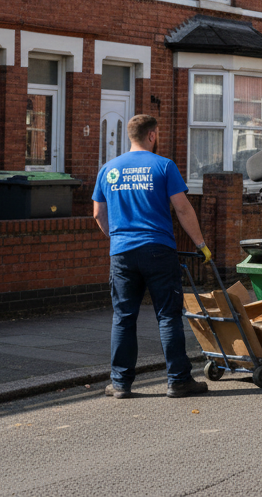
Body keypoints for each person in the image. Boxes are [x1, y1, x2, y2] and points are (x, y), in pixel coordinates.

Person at [92, 114, 211, 399]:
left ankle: (120, 383)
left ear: (130, 136)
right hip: (158, 249)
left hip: (122, 253)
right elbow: (183, 209)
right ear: (152, 135)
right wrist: (201, 244)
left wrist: (117, 237)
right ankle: (178, 380)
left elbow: (98, 213)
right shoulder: (164, 166)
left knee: (123, 317)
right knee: (168, 316)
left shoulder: (109, 169)